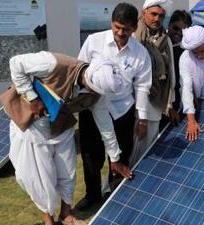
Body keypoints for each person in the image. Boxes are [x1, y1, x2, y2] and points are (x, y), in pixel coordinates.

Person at [4, 51, 127, 225]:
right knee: (41, 176)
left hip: (61, 126)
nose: (92, 92)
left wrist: (114, 157)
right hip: (34, 127)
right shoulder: (53, 63)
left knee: (68, 172)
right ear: (87, 78)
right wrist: (32, 98)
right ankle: (48, 218)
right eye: (91, 88)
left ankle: (65, 213)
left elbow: (105, 125)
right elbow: (16, 63)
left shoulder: (98, 94)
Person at [76, 2, 152, 210]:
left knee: (121, 153)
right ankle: (92, 194)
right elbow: (79, 70)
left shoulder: (140, 53)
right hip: (92, 107)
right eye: (117, 27)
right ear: (111, 23)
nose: (120, 32)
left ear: (134, 28)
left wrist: (142, 117)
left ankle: (115, 193)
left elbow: (143, 86)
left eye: (126, 29)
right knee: (92, 154)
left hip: (122, 110)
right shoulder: (93, 41)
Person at [130, 0, 178, 167]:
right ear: (144, 13)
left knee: (149, 145)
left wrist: (170, 103)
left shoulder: (166, 41)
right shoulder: (133, 37)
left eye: (161, 16)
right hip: (132, 100)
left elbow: (171, 72)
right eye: (153, 14)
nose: (157, 19)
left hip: (156, 100)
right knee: (130, 147)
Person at [159, 9, 192, 130]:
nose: (179, 33)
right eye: (176, 28)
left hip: (180, 105)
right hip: (161, 106)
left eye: (183, 30)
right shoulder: (158, 47)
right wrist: (169, 107)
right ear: (169, 25)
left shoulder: (188, 52)